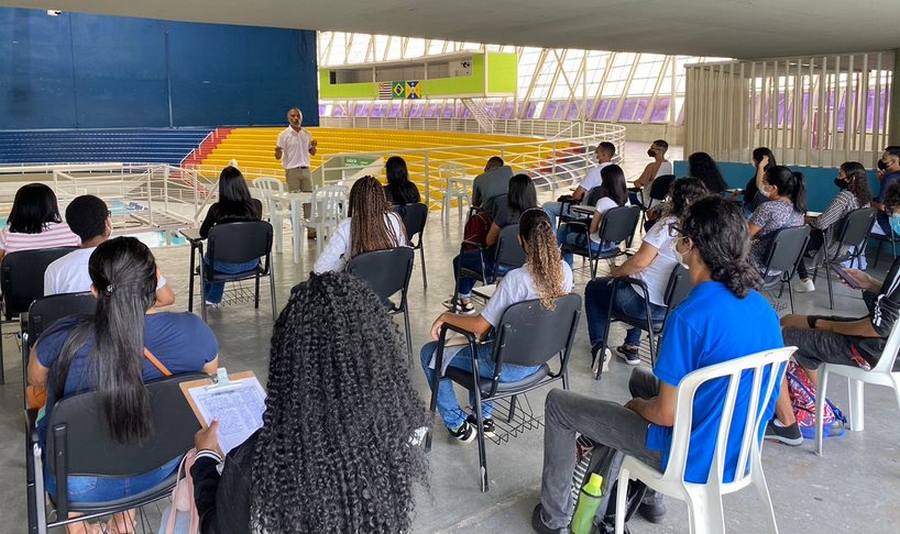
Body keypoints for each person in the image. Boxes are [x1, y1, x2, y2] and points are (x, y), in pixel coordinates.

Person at [532, 196, 784, 533]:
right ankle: (649, 499)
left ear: (688, 244)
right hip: (737, 449)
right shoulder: (763, 308)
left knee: (559, 404)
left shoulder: (690, 317)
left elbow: (666, 414)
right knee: (640, 377)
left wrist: (635, 407)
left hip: (692, 457)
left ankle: (555, 518)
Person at [190, 272, 428, 533]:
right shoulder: (399, 431)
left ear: (289, 366)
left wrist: (205, 457)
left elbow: (218, 528)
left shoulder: (258, 464)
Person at [28, 237, 218, 534]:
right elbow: (207, 382)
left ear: (95, 291)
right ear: (155, 281)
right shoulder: (195, 331)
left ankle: (78, 524)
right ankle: (123, 517)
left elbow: (36, 382)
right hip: (165, 468)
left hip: (78, 484)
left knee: (48, 418)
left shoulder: (61, 339)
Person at [424, 209, 573, 441]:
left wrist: (446, 316)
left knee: (430, 353)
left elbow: (479, 327)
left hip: (504, 368)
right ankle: (483, 417)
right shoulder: (565, 272)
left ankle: (457, 424)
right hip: (540, 360)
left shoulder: (515, 280)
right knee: (492, 343)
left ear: (520, 240)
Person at [768, 253, 900, 446]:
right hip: (878, 340)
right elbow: (893, 302)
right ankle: (821, 407)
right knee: (790, 320)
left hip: (872, 349)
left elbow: (878, 327)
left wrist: (828, 326)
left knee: (773, 338)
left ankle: (787, 425)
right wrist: (869, 283)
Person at [583, 178, 710, 368]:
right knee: (640, 281)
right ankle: (631, 346)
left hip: (641, 306)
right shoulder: (705, 231)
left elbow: (639, 262)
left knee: (596, 288)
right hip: (671, 308)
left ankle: (599, 347)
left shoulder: (668, 226)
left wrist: (617, 272)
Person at [43, 195, 175, 306]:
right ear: (107, 223)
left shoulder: (55, 269)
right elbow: (166, 298)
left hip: (77, 334)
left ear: (72, 228)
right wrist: (133, 307)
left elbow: (52, 311)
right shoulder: (133, 255)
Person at [445, 173, 538, 314]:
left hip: (497, 267)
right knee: (473, 259)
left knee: (460, 260)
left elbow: (489, 241)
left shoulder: (505, 213)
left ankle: (465, 301)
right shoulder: (539, 214)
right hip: (525, 264)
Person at [795, 161, 872, 292]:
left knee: (793, 243)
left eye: (840, 174)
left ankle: (804, 280)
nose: (837, 177)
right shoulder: (865, 199)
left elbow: (821, 223)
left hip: (829, 244)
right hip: (846, 247)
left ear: (850, 178)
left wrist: (805, 220)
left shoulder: (844, 197)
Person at [313, 175, 406, 273]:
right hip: (390, 285)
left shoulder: (347, 227)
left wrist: (344, 261)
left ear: (355, 201)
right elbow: (402, 255)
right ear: (382, 198)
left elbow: (321, 269)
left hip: (358, 287)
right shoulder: (394, 219)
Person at [199, 166, 264, 307]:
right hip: (252, 263)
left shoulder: (216, 210)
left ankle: (211, 297)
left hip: (224, 267)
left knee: (211, 259)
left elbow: (203, 234)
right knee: (225, 252)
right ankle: (212, 298)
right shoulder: (255, 206)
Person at [557, 164, 628, 267]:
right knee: (565, 227)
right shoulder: (627, 201)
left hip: (595, 246)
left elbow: (592, 230)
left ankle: (562, 267)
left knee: (566, 236)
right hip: (612, 244)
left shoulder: (603, 202)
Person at [747, 165, 806, 279]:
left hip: (756, 266)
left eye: (764, 183)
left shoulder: (768, 208)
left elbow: (744, 237)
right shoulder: (799, 210)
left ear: (773, 188)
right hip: (778, 268)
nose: (761, 186)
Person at [542, 142, 616, 228]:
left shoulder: (594, 172)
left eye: (597, 151)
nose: (594, 154)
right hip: (605, 211)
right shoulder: (616, 171)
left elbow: (576, 195)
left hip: (585, 211)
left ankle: (552, 239)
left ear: (604, 155)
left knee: (547, 207)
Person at [0, 182, 79, 260]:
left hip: (22, 273)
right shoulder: (72, 230)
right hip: (60, 273)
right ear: (52, 205)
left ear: (19, 207)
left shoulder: (7, 234)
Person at [274, 107, 318, 238]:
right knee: (294, 202)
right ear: (289, 118)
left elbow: (312, 152)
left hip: (306, 170)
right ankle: (296, 231)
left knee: (309, 201)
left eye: (298, 116)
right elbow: (277, 156)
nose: (296, 118)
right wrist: (277, 151)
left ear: (301, 117)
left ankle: (311, 231)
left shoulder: (306, 134)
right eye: (293, 116)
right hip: (292, 171)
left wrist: (314, 146)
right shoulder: (283, 135)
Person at [870, 146, 900, 236]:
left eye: (884, 158)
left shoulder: (890, 178)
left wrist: (868, 202)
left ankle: (853, 250)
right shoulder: (891, 178)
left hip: (889, 225)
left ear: (893, 162)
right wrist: (882, 182)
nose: (881, 161)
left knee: (853, 222)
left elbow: (882, 206)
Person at [742, 147, 777, 214]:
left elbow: (760, 186)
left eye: (754, 158)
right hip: (749, 206)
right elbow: (755, 189)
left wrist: (761, 166)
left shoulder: (769, 175)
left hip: (753, 210)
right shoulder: (759, 172)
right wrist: (743, 192)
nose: (753, 160)